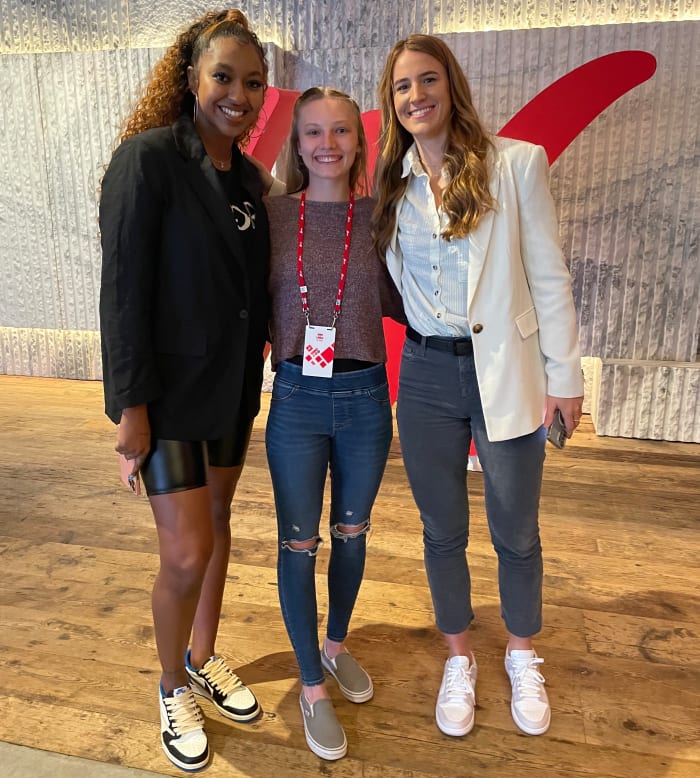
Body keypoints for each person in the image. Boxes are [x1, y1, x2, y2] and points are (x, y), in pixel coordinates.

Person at [371, 34, 584, 739]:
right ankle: (458, 655)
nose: (416, 96)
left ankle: (523, 652)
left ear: (450, 86)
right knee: (441, 529)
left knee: (516, 528)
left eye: (427, 80)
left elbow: (549, 278)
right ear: (391, 102)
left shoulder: (515, 165)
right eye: (402, 87)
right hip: (427, 372)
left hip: (508, 370)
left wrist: (566, 377)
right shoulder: (393, 184)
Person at [99, 9, 274, 772]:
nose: (240, 95)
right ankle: (171, 684)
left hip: (231, 391)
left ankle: (203, 656)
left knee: (221, 524)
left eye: (253, 82)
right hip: (167, 398)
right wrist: (130, 409)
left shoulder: (250, 176)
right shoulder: (146, 161)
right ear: (193, 78)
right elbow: (122, 292)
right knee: (185, 553)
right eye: (225, 78)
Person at [264, 87, 403, 761]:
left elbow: (421, 295)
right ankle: (311, 685)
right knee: (299, 543)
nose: (327, 144)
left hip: (366, 398)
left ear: (358, 140)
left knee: (352, 533)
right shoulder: (271, 216)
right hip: (294, 396)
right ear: (297, 143)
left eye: (341, 131)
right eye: (314, 132)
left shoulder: (381, 217)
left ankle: (335, 644)